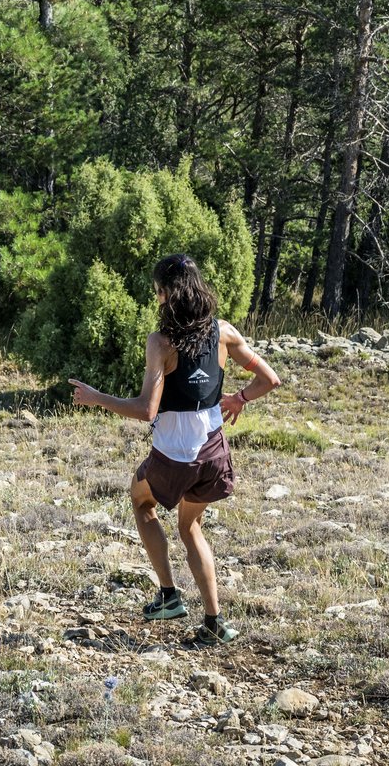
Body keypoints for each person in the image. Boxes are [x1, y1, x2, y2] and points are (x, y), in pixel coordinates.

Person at [69, 252, 281, 645]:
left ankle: (168, 595)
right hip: (214, 455)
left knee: (141, 501)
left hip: (174, 457)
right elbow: (270, 379)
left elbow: (146, 409)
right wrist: (239, 398)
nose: (156, 300)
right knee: (190, 525)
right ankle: (214, 622)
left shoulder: (161, 343)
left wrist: (97, 397)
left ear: (167, 295)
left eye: (157, 293)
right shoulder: (225, 332)